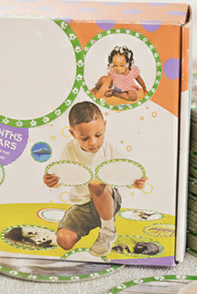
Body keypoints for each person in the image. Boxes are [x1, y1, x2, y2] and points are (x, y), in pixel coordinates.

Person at [43, 101, 146, 257]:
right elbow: (64, 177)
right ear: (73, 134)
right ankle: (94, 223)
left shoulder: (112, 150)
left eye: (98, 135)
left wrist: (136, 183)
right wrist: (53, 181)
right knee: (64, 241)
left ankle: (108, 230)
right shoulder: (69, 150)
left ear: (104, 126)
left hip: (108, 200)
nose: (93, 142)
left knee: (95, 184)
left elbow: (128, 175)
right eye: (84, 138)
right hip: (82, 206)